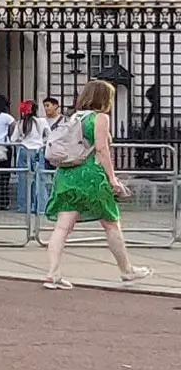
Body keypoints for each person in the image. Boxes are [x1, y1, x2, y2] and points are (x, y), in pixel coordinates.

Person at [43, 81, 152, 289]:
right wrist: (112, 179)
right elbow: (101, 150)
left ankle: (53, 273)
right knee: (111, 222)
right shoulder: (100, 118)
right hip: (91, 175)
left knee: (62, 227)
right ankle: (126, 269)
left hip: (66, 175)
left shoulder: (74, 117)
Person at [10, 99, 47, 215]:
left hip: (24, 150)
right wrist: (42, 142)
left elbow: (13, 139)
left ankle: (23, 206)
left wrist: (22, 139)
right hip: (38, 151)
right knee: (39, 179)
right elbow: (49, 136)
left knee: (23, 180)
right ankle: (40, 207)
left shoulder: (20, 123)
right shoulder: (41, 121)